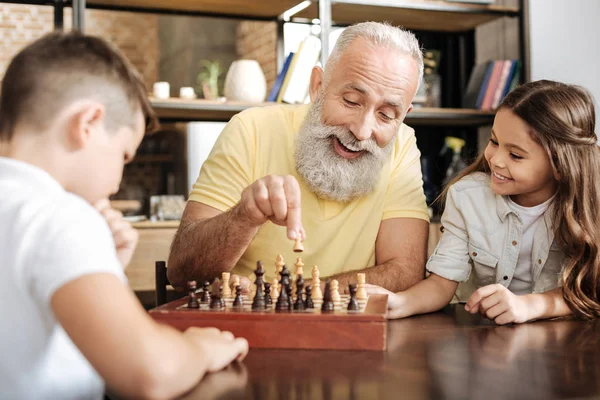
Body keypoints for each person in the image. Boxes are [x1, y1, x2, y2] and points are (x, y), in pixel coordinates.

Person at [0, 32, 248, 400]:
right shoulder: (58, 215)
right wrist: (202, 346)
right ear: (87, 123)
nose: (116, 184)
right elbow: (152, 374)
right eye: (124, 155)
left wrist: (104, 269)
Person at [168, 22, 430, 293]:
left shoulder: (402, 144)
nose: (362, 132)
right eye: (351, 101)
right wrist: (243, 217)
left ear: (403, 115)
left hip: (352, 329)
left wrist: (293, 295)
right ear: (318, 85)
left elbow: (405, 270)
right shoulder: (251, 129)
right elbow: (181, 271)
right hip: (245, 329)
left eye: (386, 115)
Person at [367, 80, 600, 323]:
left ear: (560, 166)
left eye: (515, 155)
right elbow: (441, 284)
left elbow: (591, 290)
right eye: (494, 141)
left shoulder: (590, 204)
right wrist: (400, 303)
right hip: (486, 338)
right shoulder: (467, 196)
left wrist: (533, 305)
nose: (495, 160)